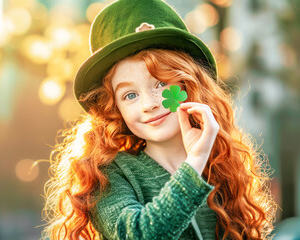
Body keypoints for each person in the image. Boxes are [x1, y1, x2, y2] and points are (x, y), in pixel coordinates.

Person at [42, 0, 277, 239]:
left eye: (161, 83)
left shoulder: (222, 169)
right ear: (115, 109)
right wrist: (194, 163)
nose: (149, 104)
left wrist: (202, 159)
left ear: (189, 84)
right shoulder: (105, 176)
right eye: (130, 95)